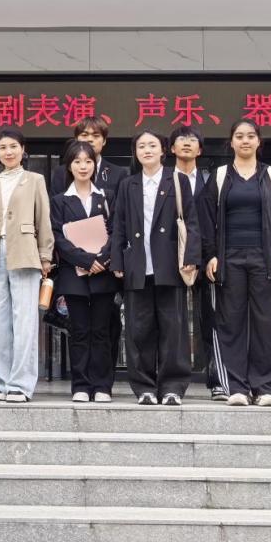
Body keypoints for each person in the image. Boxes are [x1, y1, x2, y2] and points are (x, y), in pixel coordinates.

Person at [199, 119, 271, 408]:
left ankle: (266, 388)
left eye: (250, 136)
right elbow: (206, 220)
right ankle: (236, 387)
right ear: (231, 142)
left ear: (258, 141)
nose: (245, 140)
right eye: (239, 136)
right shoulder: (220, 176)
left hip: (266, 260)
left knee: (269, 324)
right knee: (230, 323)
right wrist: (211, 255)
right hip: (229, 260)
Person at [110, 130, 199, 406]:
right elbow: (119, 224)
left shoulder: (178, 180)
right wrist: (117, 260)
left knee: (174, 330)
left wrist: (191, 256)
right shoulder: (128, 184)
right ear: (135, 152)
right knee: (139, 331)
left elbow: (192, 221)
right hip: (137, 265)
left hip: (170, 265)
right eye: (141, 146)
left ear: (163, 150)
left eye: (152, 145)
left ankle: (173, 386)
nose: (147, 150)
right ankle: (144, 387)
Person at [0, 128, 54, 403]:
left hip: (25, 251)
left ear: (23, 149)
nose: (8, 152)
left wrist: (45, 255)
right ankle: (1, 381)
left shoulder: (35, 180)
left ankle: (21, 383)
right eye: (3, 148)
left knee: (24, 320)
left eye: (13, 147)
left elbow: (43, 219)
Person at [49, 117, 127, 373]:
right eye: (84, 135)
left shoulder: (115, 180)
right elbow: (57, 231)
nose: (83, 166)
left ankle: (104, 381)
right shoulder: (60, 184)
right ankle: (81, 382)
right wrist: (83, 259)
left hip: (105, 268)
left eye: (95, 136)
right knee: (79, 329)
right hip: (74, 269)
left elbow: (118, 226)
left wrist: (103, 258)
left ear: (104, 142)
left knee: (105, 328)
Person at [168, 124, 227, 402]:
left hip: (206, 260)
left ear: (200, 150)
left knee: (212, 321)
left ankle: (217, 380)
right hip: (171, 260)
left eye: (192, 140)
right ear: (172, 148)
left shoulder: (211, 180)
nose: (186, 143)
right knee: (172, 321)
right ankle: (171, 381)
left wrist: (212, 254)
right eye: (181, 139)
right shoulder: (164, 180)